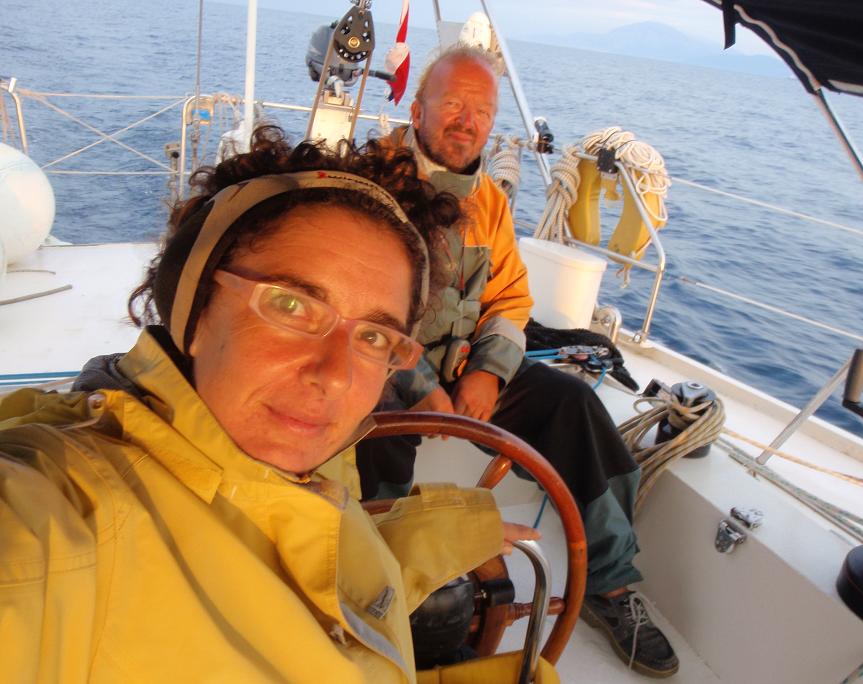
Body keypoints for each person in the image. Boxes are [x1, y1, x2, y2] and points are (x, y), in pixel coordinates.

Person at [0, 127, 539, 683]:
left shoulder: (313, 468)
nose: (335, 376)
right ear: (195, 309)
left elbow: (292, 575)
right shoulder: (57, 513)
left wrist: (447, 531)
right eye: (291, 305)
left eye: (375, 336)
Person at [355, 47, 679, 678]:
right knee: (374, 429)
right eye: (453, 104)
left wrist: (488, 372)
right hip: (382, 364)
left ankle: (610, 583)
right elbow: (363, 307)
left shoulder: (489, 202)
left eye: (482, 110)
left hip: (465, 364)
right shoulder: (373, 184)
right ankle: (380, 580)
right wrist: (418, 384)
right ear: (417, 111)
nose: (467, 121)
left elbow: (509, 300)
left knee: (573, 404)